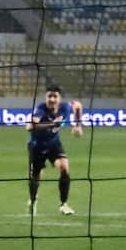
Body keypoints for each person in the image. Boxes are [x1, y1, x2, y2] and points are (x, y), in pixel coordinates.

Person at [26, 85, 83, 215]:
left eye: (55, 96)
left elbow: (78, 105)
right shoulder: (40, 109)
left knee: (64, 167)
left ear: (60, 98)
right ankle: (33, 200)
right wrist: (52, 124)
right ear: (46, 97)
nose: (52, 99)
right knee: (36, 176)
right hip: (37, 145)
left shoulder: (66, 107)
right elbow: (30, 126)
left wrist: (78, 125)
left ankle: (63, 204)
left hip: (53, 143)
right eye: (49, 96)